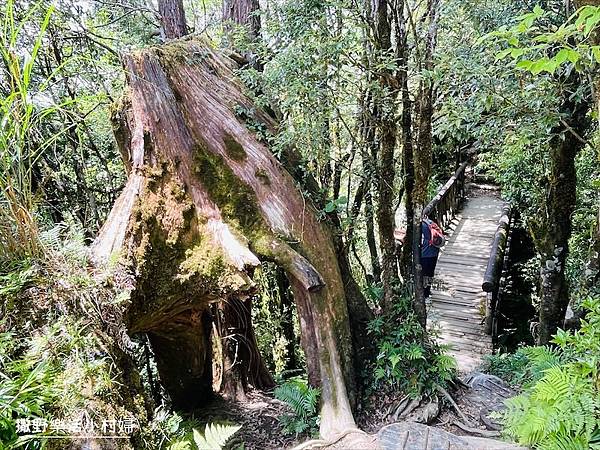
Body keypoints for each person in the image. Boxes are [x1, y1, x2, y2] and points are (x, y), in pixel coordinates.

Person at [421, 217, 441, 298]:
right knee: (430, 273)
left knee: (424, 274)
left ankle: (425, 294)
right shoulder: (430, 222)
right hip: (434, 251)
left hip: (425, 254)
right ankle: (427, 292)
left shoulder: (419, 226)